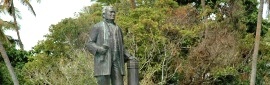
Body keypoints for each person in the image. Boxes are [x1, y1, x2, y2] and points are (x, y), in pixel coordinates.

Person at [86, 6, 134, 85]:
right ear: (104, 14)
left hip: (117, 61)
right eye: (111, 12)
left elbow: (122, 46)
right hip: (103, 61)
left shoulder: (118, 28)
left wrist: (129, 56)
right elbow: (89, 43)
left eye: (114, 12)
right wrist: (99, 49)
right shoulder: (98, 27)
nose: (113, 14)